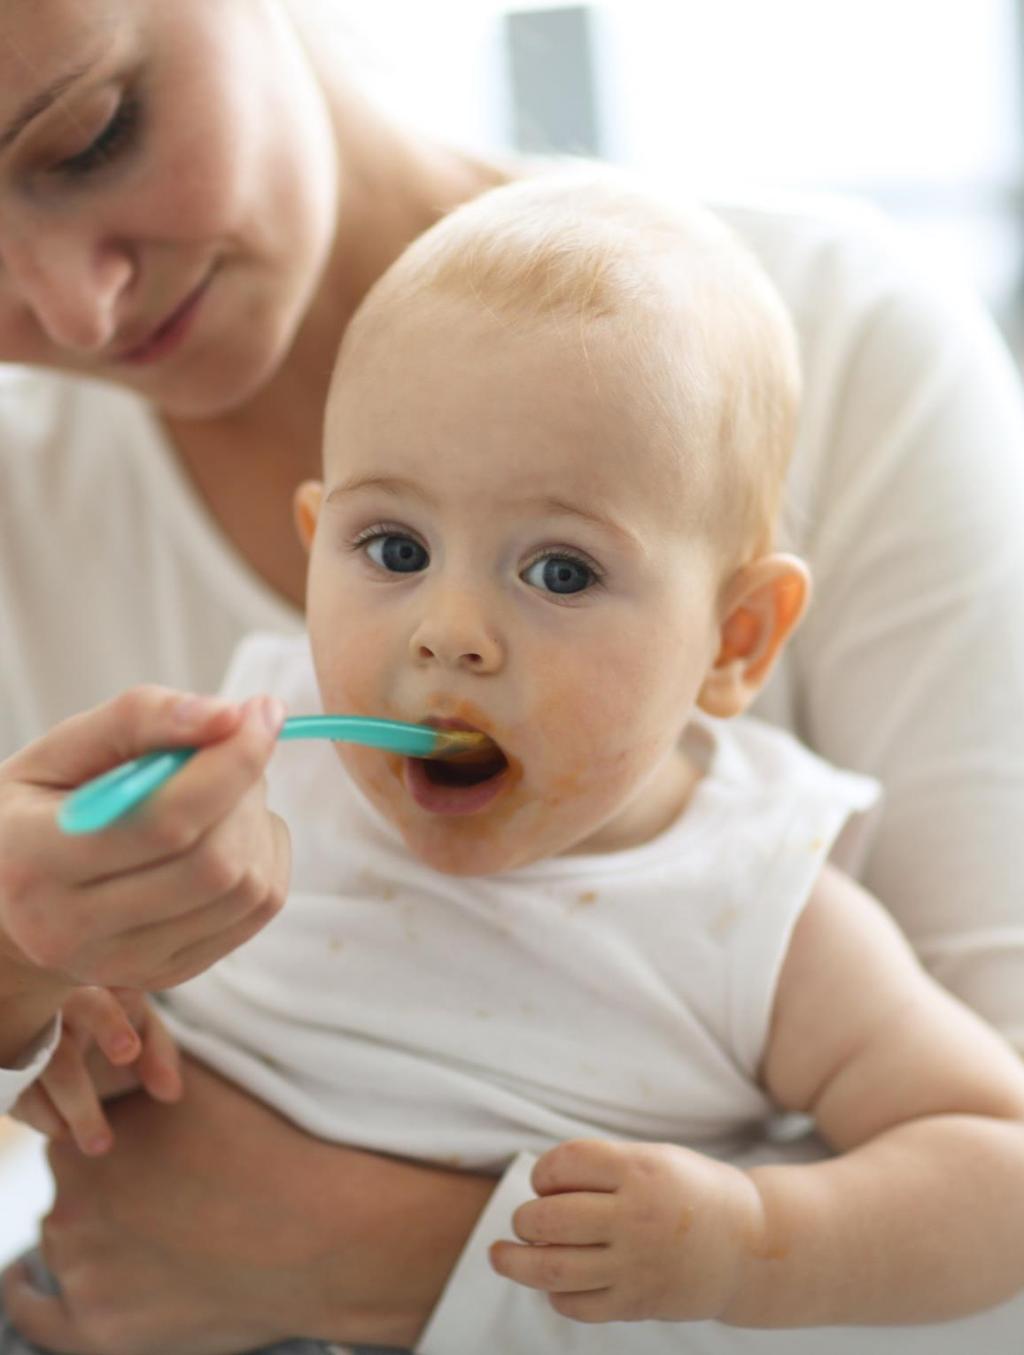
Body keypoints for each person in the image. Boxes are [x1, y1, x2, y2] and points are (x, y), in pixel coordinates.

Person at [0, 2, 1023, 1352]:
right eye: (393, 549)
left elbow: (996, 1175)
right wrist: (49, 1004)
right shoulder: (259, 768)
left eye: (559, 573)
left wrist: (748, 1244)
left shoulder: (755, 911)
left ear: (737, 644)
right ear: (318, 554)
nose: (448, 634)